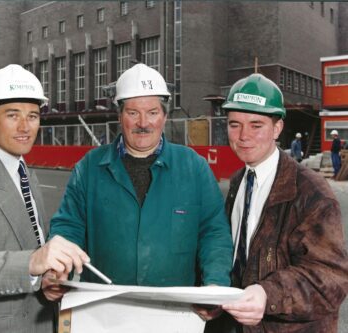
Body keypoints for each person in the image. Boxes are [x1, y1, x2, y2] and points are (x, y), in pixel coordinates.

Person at [44, 64, 233, 311]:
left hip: (173, 313)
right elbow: (67, 229)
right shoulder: (89, 168)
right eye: (133, 113)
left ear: (164, 116)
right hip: (103, 311)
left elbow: (214, 233)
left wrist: (216, 284)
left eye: (152, 112)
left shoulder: (194, 168)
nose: (143, 123)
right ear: (120, 116)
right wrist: (56, 271)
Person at [206, 73, 348, 332]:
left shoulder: (310, 191)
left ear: (278, 127)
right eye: (234, 124)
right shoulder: (239, 181)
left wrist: (267, 294)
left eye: (256, 125)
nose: (243, 136)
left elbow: (332, 279)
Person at [0, 64, 88, 333]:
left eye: (33, 116)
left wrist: (44, 279)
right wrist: (31, 263)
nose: (24, 127)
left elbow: (30, 241)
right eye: (12, 115)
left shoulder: (22, 169)